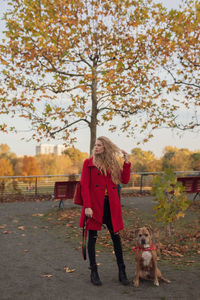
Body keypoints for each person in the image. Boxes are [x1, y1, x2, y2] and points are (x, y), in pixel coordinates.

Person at [79, 136, 131, 286]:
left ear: (105, 148)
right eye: (95, 145)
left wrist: (126, 162)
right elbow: (84, 186)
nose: (96, 147)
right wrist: (87, 206)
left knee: (116, 238)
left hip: (110, 205)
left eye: (99, 145)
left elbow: (125, 180)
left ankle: (122, 272)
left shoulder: (113, 164)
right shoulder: (88, 163)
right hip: (94, 206)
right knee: (92, 238)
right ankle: (94, 272)